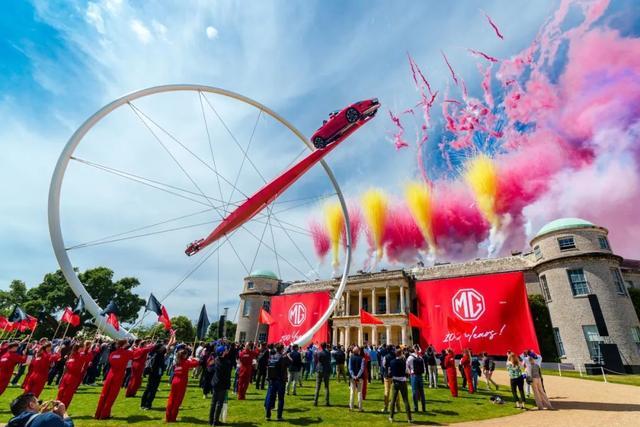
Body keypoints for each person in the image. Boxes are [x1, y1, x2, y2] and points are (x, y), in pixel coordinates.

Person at [95, 339, 134, 419]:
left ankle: (98, 413)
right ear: (124, 344)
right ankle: (104, 414)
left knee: (104, 394)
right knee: (112, 395)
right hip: (118, 375)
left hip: (110, 374)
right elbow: (135, 355)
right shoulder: (127, 353)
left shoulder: (113, 353)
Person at [57, 341, 98, 409]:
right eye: (82, 348)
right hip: (70, 376)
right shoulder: (76, 355)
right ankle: (59, 408)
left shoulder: (75, 355)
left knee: (64, 394)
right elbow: (89, 358)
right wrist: (89, 352)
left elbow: (89, 358)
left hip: (70, 376)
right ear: (80, 348)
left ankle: (59, 408)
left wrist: (88, 351)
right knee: (64, 394)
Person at [166, 348, 200, 422]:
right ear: (184, 355)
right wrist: (193, 358)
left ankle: (168, 417)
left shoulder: (177, 361)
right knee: (178, 400)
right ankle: (173, 418)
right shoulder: (186, 362)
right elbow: (197, 363)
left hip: (174, 381)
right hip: (181, 382)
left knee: (171, 398)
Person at [140, 335, 175, 410]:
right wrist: (172, 336)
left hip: (151, 371)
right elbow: (169, 345)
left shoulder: (153, 353)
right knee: (153, 389)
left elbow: (168, 347)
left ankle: (143, 404)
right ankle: (148, 405)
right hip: (156, 372)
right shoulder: (159, 354)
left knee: (148, 388)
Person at [8, 393, 73, 427]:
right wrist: (63, 413)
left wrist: (39, 415)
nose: (40, 405)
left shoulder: (13, 423)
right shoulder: (49, 418)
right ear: (31, 405)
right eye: (39, 402)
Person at [209, 345, 234, 426]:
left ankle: (211, 420)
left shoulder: (216, 360)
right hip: (222, 385)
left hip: (216, 383)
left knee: (213, 403)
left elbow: (209, 369)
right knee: (219, 403)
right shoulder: (226, 363)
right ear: (222, 353)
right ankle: (215, 421)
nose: (226, 351)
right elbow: (228, 374)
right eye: (225, 350)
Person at [265, 343, 288, 421]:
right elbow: (290, 363)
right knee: (281, 399)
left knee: (271, 397)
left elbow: (268, 366)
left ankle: (268, 415)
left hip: (272, 379)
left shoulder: (272, 357)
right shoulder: (283, 357)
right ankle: (279, 416)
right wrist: (286, 355)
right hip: (280, 380)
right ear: (282, 349)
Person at [388, 349, 412, 423]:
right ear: (400, 354)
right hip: (402, 381)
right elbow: (408, 372)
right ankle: (409, 418)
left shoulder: (392, 362)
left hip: (395, 381)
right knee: (405, 400)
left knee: (393, 400)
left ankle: (391, 417)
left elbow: (389, 373)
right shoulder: (404, 362)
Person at [381, 344, 400, 413]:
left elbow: (383, 365)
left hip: (387, 376)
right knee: (396, 391)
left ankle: (386, 407)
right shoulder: (395, 356)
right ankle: (398, 407)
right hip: (395, 375)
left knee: (387, 391)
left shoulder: (386, 357)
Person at [407, 347, 426, 413]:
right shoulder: (421, 358)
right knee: (422, 392)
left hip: (413, 375)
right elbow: (424, 367)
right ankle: (424, 408)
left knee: (414, 391)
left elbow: (406, 366)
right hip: (420, 375)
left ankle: (416, 408)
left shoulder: (410, 357)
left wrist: (409, 372)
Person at [313, 342, 331, 406]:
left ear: (321, 346)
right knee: (326, 387)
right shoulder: (328, 353)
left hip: (319, 369)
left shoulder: (319, 353)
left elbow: (317, 360)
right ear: (325, 346)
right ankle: (327, 402)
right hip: (326, 369)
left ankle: (315, 401)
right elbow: (329, 360)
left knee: (317, 387)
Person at [348, 346, 365, 411]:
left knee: (352, 392)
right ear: (358, 351)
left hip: (353, 378)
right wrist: (357, 376)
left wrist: (353, 376)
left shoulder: (351, 358)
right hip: (359, 378)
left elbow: (350, 368)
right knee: (359, 392)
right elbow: (362, 369)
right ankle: (360, 408)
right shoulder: (362, 358)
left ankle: (351, 406)